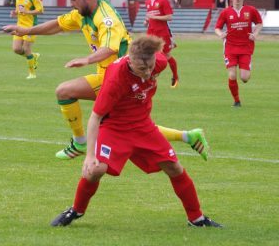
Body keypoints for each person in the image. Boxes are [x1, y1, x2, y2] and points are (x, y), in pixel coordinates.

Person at [3, 0, 209, 161]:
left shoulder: (106, 18)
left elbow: (109, 49)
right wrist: (25, 30)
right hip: (108, 74)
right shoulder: (82, 14)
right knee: (133, 126)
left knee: (70, 95)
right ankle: (188, 135)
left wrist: (87, 59)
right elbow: (57, 24)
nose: (72, 5)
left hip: (122, 78)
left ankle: (81, 144)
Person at [50, 35, 222, 228]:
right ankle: (76, 210)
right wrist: (89, 156)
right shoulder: (116, 79)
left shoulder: (158, 62)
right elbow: (95, 118)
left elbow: (164, 57)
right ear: (130, 60)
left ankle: (197, 219)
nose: (148, 72)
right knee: (95, 170)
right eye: (142, 69)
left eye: (151, 67)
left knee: (174, 168)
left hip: (143, 126)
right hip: (115, 128)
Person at [214, 0, 263, 107]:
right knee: (231, 75)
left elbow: (259, 23)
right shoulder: (225, 12)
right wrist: (221, 34)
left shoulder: (251, 10)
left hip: (246, 47)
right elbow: (217, 28)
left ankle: (247, 67)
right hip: (230, 47)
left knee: (245, 78)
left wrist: (255, 33)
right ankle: (236, 100)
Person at [144, 0, 179, 88]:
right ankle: (151, 78)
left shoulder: (164, 1)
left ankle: (175, 76)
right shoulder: (148, 1)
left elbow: (170, 17)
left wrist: (154, 17)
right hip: (151, 32)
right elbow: (149, 16)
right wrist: (147, 21)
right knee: (149, 56)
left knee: (166, 56)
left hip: (162, 33)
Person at [9, 0, 43, 79]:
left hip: (30, 26)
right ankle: (33, 56)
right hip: (20, 25)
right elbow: (19, 9)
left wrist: (27, 12)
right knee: (16, 49)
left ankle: (32, 73)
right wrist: (15, 13)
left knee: (26, 48)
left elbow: (40, 10)